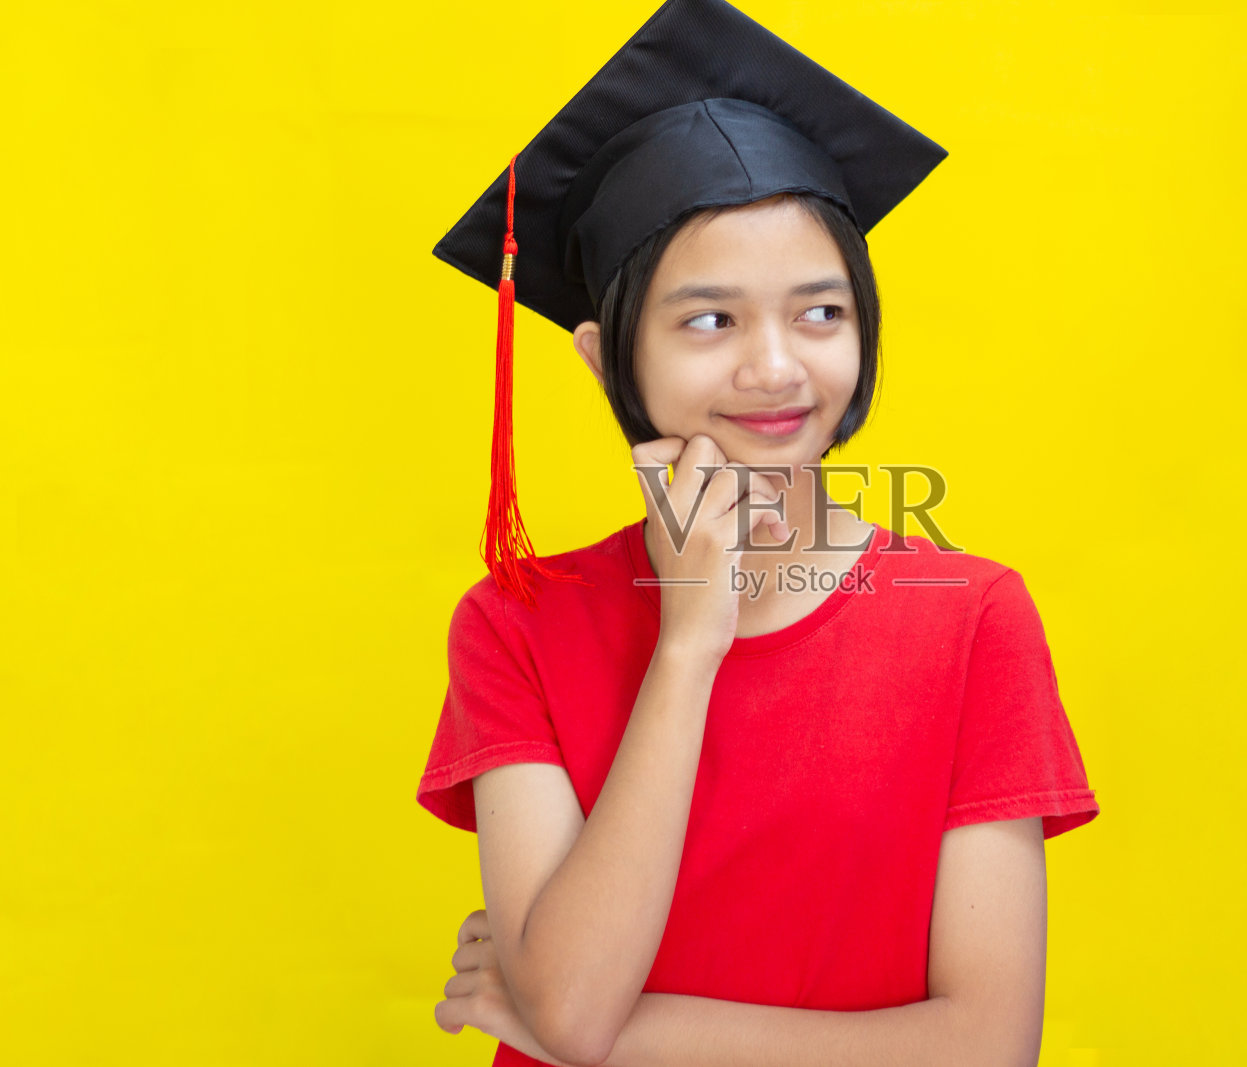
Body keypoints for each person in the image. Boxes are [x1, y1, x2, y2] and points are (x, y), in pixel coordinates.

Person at [415, 2, 1100, 1065]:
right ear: (607, 359)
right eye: (708, 319)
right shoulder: (518, 623)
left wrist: (594, 1027)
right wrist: (689, 643)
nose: (775, 368)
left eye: (820, 312)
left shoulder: (971, 617)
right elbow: (573, 1009)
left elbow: (983, 1046)